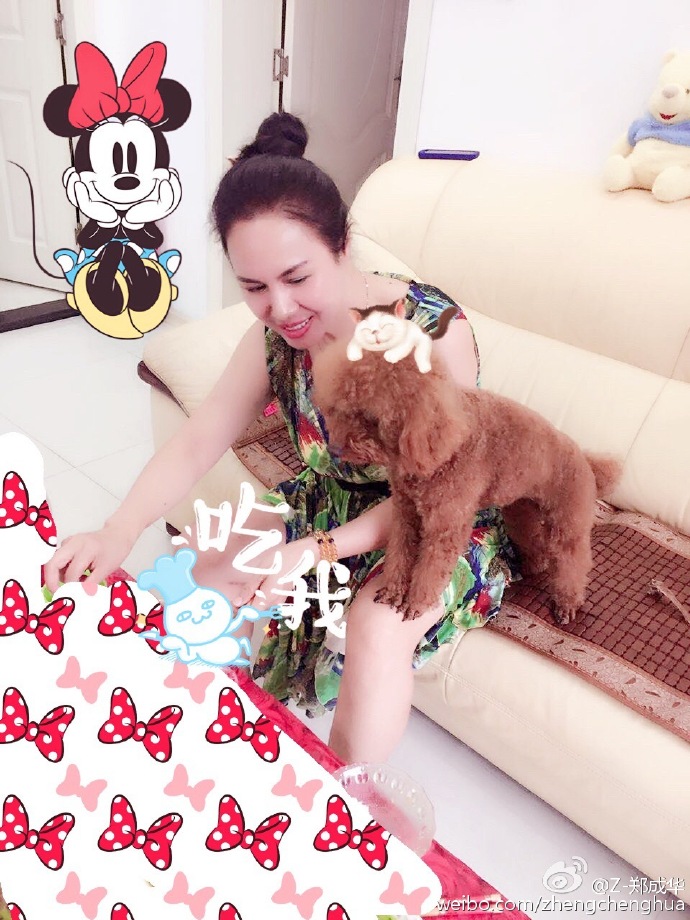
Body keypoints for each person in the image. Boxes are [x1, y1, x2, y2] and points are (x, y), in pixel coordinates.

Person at [44, 113, 518, 764]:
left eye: (297, 278)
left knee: (378, 626)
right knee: (199, 568)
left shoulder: (433, 331)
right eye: (254, 288)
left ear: (343, 245)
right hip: (335, 501)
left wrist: (315, 551)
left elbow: (433, 494)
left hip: (435, 517)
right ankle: (171, 739)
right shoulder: (274, 338)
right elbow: (199, 440)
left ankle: (345, 801)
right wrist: (117, 530)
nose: (281, 308)